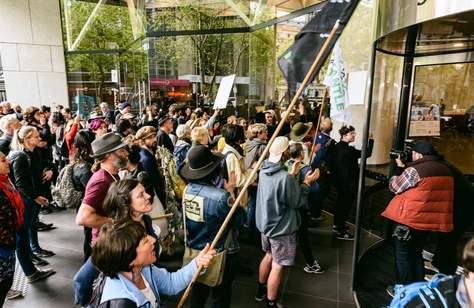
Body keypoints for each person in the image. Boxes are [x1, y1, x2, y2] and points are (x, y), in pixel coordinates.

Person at [255, 136, 319, 307]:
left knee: (268, 256)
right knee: (277, 265)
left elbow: (275, 191)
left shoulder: (263, 170)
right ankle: (271, 302)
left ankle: (260, 290)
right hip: (281, 229)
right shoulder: (285, 178)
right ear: (285, 154)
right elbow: (297, 201)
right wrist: (306, 183)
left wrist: (291, 175)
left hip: (265, 225)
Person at [90, 220, 215, 307]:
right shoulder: (122, 302)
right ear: (129, 257)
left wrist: (197, 263)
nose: (153, 240)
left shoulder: (142, 269)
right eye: (145, 241)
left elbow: (170, 283)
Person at [179, 144, 245, 308]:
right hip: (220, 253)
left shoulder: (187, 190)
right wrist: (230, 192)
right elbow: (238, 221)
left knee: (198, 291)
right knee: (220, 296)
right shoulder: (221, 197)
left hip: (196, 252)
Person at [382, 141, 454, 287]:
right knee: (416, 253)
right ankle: (418, 288)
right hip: (427, 222)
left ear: (418, 154)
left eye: (413, 153)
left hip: (409, 221)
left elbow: (394, 187)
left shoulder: (415, 171)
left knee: (402, 255)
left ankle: (402, 288)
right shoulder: (445, 170)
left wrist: (398, 170)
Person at [73, 132, 129, 306]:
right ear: (109, 155)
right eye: (121, 151)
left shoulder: (113, 175)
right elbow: (82, 218)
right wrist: (114, 222)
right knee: (82, 280)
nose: (126, 153)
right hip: (105, 244)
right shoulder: (101, 181)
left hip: (113, 240)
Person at [7, 126, 56, 282]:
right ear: (26, 139)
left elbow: (46, 164)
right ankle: (30, 273)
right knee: (22, 236)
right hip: (25, 200)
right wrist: (36, 197)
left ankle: (31, 263)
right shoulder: (20, 156)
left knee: (28, 229)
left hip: (31, 199)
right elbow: (22, 184)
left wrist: (49, 170)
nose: (39, 138)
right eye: (35, 136)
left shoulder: (35, 152)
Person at [332, 125, 373, 240]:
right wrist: (370, 139)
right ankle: (340, 231)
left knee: (340, 204)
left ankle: (337, 225)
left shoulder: (337, 147)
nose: (354, 135)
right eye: (352, 133)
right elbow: (367, 153)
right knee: (345, 206)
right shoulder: (349, 151)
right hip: (348, 184)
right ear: (344, 135)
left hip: (340, 183)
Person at [0, 151, 24, 303]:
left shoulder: (5, 181)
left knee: (6, 283)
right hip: (2, 246)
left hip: (8, 242)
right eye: (3, 160)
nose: (8, 162)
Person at [71, 129, 95, 261]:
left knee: (89, 236)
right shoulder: (84, 168)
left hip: (85, 205)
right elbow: (92, 190)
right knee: (90, 238)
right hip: (88, 207)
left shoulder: (81, 161)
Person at [136, 126, 166, 206]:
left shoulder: (149, 151)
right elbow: (154, 182)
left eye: (154, 136)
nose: (154, 139)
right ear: (142, 140)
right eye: (150, 138)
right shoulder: (146, 158)